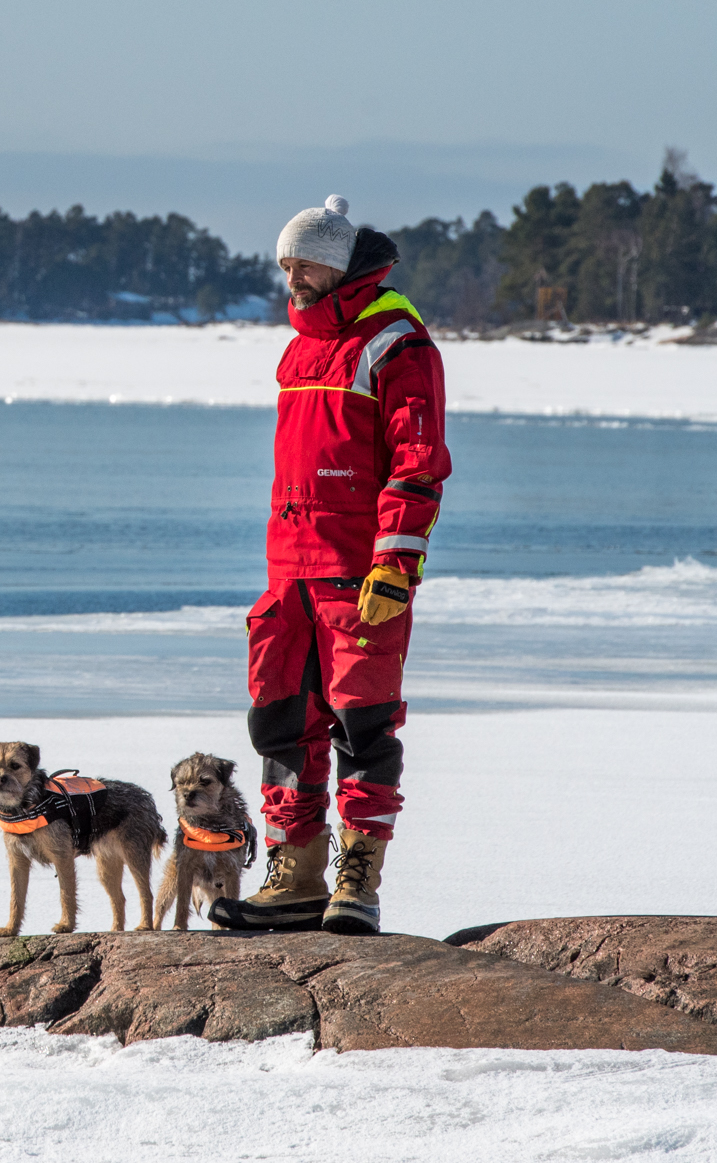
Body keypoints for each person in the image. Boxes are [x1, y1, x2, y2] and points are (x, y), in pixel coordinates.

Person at [208, 196, 449, 936]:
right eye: (285, 262)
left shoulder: (397, 342)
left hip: (359, 575)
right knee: (282, 723)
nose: (293, 275)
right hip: (289, 576)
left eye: (305, 261)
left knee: (362, 727)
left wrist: (395, 563)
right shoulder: (298, 349)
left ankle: (358, 876)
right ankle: (296, 870)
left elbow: (418, 463)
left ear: (342, 264)